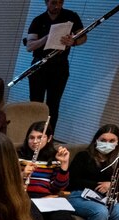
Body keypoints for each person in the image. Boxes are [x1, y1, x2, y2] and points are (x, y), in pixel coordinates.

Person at [18, 120, 73, 220]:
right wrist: (22, 174)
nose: (35, 141)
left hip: (46, 198)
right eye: (31, 137)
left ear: (48, 138)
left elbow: (58, 187)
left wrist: (64, 166)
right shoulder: (18, 156)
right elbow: (8, 182)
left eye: (39, 137)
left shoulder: (55, 158)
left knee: (64, 217)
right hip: (24, 196)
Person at [25, 0, 86, 136]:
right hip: (39, 65)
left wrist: (74, 42)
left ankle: (48, 137)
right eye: (53, 3)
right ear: (46, 3)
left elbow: (83, 37)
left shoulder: (71, 16)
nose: (56, 6)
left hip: (60, 65)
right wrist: (47, 38)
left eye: (59, 2)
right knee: (35, 103)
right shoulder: (38, 20)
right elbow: (30, 46)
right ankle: (33, 136)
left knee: (53, 105)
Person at [66, 124, 119, 220]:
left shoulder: (116, 162)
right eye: (103, 139)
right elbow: (72, 181)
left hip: (103, 199)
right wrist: (97, 184)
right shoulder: (83, 156)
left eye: (112, 140)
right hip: (79, 196)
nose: (107, 144)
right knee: (100, 212)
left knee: (118, 213)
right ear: (96, 139)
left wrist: (111, 185)